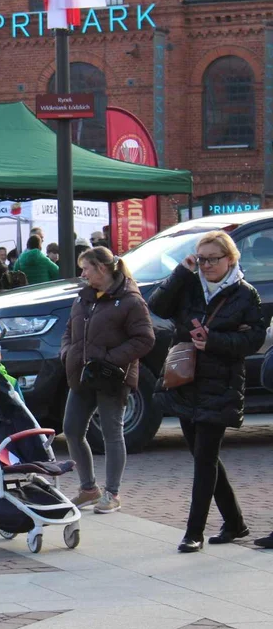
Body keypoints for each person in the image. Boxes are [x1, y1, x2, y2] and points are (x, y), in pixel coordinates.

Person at [148, 231, 268, 552]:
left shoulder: (245, 295)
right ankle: (235, 522)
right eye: (201, 259)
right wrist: (180, 272)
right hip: (185, 381)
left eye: (213, 259)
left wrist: (213, 341)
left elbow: (253, 340)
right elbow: (156, 305)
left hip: (221, 384)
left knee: (204, 460)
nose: (206, 265)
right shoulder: (189, 284)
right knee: (204, 457)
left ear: (231, 259)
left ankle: (194, 532)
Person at [60, 247, 154, 514]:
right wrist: (67, 352)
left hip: (113, 378)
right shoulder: (83, 297)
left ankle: (112, 493)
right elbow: (69, 330)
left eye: (86, 268)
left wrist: (110, 359)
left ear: (101, 268)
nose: (83, 274)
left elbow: (145, 339)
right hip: (82, 374)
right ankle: (88, 489)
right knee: (72, 429)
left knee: (112, 433)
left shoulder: (130, 300)